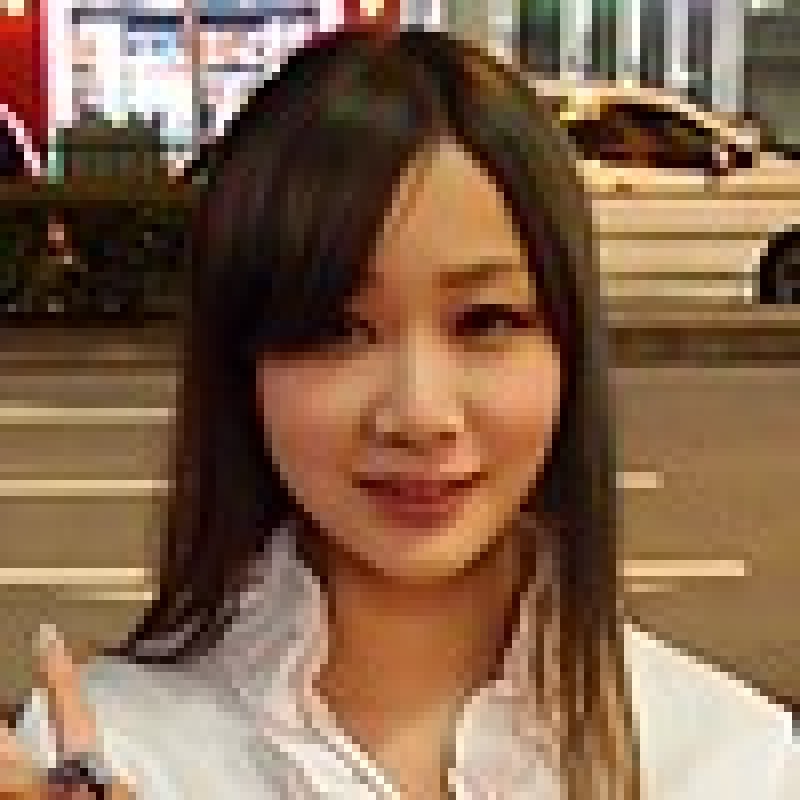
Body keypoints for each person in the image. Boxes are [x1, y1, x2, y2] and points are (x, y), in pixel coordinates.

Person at [3, 26, 797, 800]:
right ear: (245, 364)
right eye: (336, 328)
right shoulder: (110, 748)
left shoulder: (730, 761)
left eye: (485, 321)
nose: (419, 414)